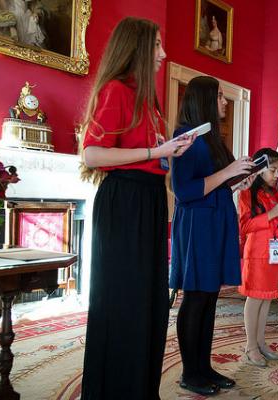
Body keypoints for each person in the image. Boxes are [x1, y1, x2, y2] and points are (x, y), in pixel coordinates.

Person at [79, 17, 193, 399]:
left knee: (149, 301)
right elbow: (92, 153)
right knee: (124, 299)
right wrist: (155, 151)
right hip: (124, 202)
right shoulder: (116, 90)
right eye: (157, 45)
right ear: (138, 48)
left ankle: (141, 388)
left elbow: (151, 159)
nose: (164, 53)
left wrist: (169, 151)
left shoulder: (149, 101)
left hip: (147, 200)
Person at [170, 75, 255, 396]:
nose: (224, 101)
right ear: (204, 99)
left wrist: (239, 180)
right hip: (197, 225)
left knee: (209, 297)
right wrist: (228, 173)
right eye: (219, 96)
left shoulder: (213, 139)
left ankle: (204, 367)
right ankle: (190, 373)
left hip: (217, 219)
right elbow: (184, 190)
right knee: (195, 297)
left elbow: (216, 184)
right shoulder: (185, 137)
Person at [238, 148, 278, 367]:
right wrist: (271, 214)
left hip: (274, 253)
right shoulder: (247, 193)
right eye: (272, 170)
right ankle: (250, 346)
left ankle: (261, 343)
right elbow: (245, 226)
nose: (276, 175)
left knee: (266, 299)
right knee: (255, 299)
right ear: (259, 170)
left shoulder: (277, 194)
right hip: (256, 254)